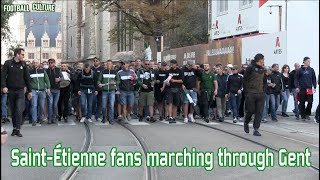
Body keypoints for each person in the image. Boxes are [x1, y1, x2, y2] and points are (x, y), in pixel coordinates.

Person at [1, 48, 32, 137]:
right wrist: (4, 86)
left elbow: (27, 78)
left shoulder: (24, 64)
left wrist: (30, 91)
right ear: (17, 55)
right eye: (22, 54)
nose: (23, 56)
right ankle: (14, 128)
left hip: (20, 90)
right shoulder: (8, 63)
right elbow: (3, 76)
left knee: (19, 109)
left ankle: (18, 129)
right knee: (14, 110)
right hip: (10, 90)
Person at [243, 53, 266, 136]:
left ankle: (256, 129)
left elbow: (264, 81)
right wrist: (246, 92)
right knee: (250, 110)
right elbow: (244, 80)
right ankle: (246, 122)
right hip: (251, 93)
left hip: (260, 94)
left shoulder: (263, 69)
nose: (263, 61)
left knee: (259, 112)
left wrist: (264, 91)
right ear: (258, 60)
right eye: (262, 59)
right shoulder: (250, 68)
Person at [29, 59, 51, 126]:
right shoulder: (30, 72)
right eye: (34, 63)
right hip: (34, 90)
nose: (35, 64)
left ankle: (40, 118)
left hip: (42, 90)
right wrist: (29, 90)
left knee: (41, 106)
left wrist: (48, 88)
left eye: (36, 62)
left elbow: (47, 80)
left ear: (39, 64)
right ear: (32, 64)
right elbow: (28, 81)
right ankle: (34, 120)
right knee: (34, 105)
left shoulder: (43, 71)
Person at [116, 59, 138, 123]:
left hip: (131, 91)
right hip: (123, 91)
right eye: (122, 64)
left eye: (124, 64)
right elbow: (117, 82)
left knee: (131, 104)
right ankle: (124, 118)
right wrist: (117, 90)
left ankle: (128, 113)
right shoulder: (119, 72)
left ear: (128, 64)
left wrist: (134, 79)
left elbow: (136, 80)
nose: (123, 65)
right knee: (124, 104)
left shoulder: (132, 71)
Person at [97, 60, 117, 124]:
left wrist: (115, 82)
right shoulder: (103, 72)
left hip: (112, 91)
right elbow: (99, 80)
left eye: (109, 64)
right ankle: (104, 118)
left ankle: (111, 119)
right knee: (104, 106)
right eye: (107, 64)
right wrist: (99, 84)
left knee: (111, 105)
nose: (108, 65)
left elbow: (118, 80)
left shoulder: (114, 72)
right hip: (104, 91)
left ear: (112, 65)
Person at [165, 59, 184, 123]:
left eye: (173, 64)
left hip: (177, 89)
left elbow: (182, 80)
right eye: (171, 64)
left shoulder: (180, 71)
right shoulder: (168, 71)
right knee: (170, 103)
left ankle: (174, 117)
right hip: (170, 89)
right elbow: (165, 80)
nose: (171, 65)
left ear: (176, 64)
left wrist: (175, 81)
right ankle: (170, 116)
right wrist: (167, 82)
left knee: (175, 104)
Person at [46, 58, 63, 124]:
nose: (50, 64)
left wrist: (59, 79)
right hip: (50, 89)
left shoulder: (58, 70)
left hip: (57, 90)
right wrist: (47, 88)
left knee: (55, 105)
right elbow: (45, 80)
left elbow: (62, 77)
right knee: (50, 104)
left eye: (51, 62)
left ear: (54, 63)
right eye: (49, 63)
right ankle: (49, 118)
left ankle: (54, 118)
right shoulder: (47, 71)